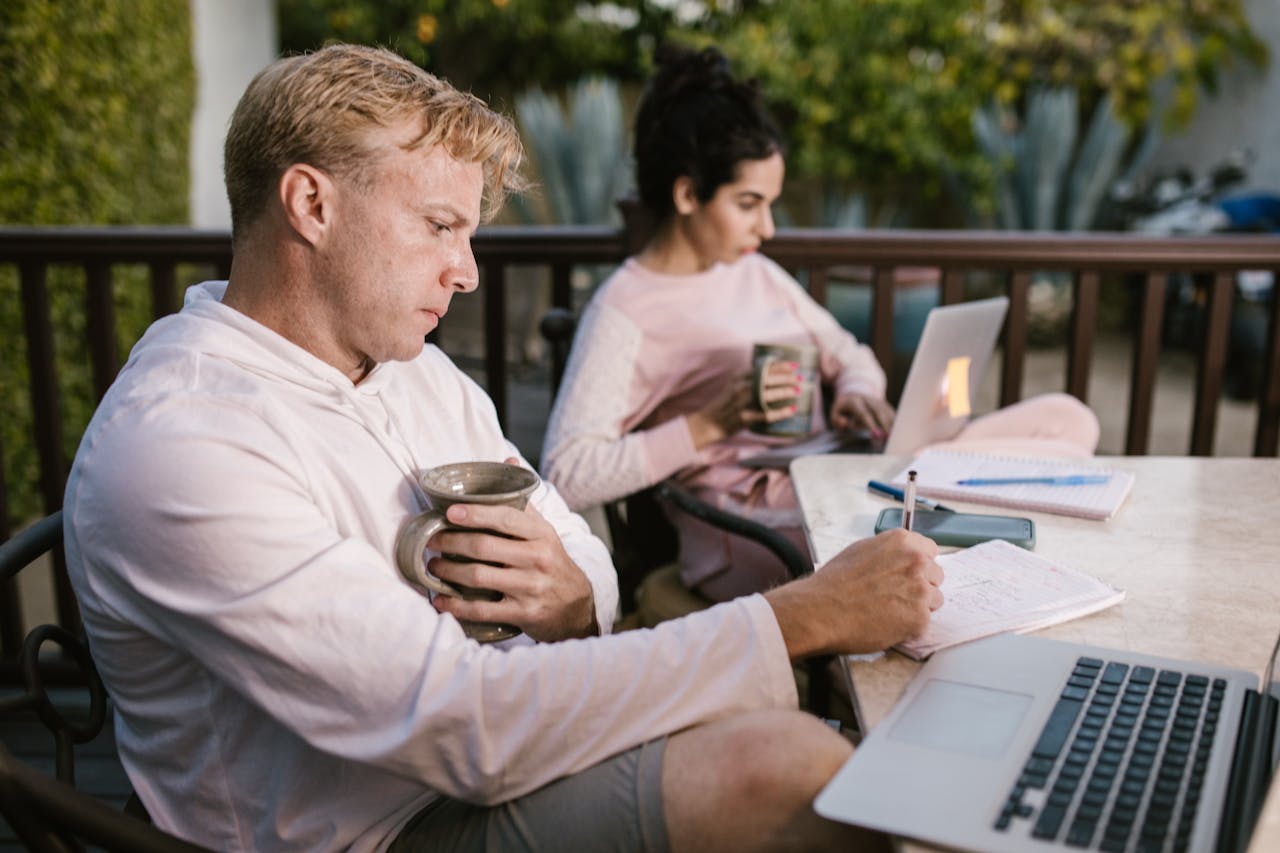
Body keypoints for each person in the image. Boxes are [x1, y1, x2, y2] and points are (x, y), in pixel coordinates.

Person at [62, 43, 945, 852]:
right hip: (377, 826)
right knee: (792, 770)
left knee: (824, 742)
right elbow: (462, 721)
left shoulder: (416, 374)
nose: (468, 269)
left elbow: (587, 561)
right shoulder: (182, 444)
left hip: (509, 739)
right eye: (440, 225)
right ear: (311, 204)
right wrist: (806, 614)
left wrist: (568, 600)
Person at [541, 45, 1099, 603]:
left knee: (1068, 423)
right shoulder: (626, 310)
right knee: (1033, 489)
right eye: (749, 203)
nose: (769, 227)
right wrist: (708, 425)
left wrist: (855, 392)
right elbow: (567, 473)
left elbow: (845, 350)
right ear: (688, 194)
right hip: (758, 521)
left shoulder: (753, 271)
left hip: (846, 470)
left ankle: (960, 509)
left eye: (772, 204)